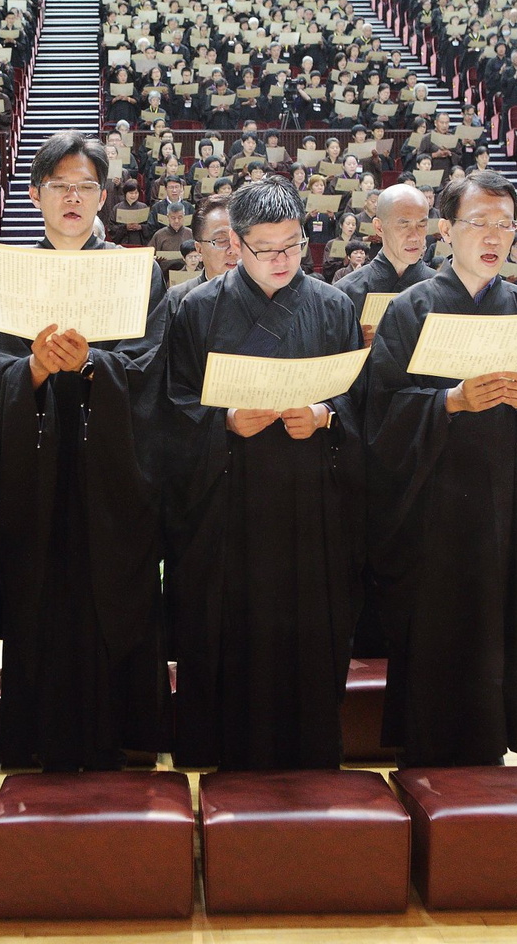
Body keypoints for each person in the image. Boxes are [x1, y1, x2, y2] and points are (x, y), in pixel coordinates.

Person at [364, 169, 517, 767]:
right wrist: (449, 402)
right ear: (447, 230)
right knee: (436, 640)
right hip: (434, 512)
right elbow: (380, 411)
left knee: (497, 638)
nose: (492, 236)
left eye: (504, 225)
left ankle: (490, 757)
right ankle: (426, 761)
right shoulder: (411, 310)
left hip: (508, 509)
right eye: (478, 222)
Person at [0, 130, 167, 770]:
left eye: (85, 184)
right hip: (34, 473)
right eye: (58, 184)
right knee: (40, 597)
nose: (72, 196)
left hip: (109, 470)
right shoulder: (8, 275)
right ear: (34, 194)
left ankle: (122, 734)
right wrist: (33, 369)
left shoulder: (136, 271)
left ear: (103, 195)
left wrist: (93, 366)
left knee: (111, 594)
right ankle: (38, 738)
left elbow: (148, 367)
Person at [164, 175, 363, 769]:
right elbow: (172, 406)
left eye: (293, 246)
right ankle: (222, 755)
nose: (282, 261)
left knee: (308, 635)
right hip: (228, 503)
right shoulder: (196, 308)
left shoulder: (332, 306)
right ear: (235, 243)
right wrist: (222, 421)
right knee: (228, 634)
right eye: (266, 249)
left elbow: (361, 401)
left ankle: (308, 757)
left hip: (310, 502)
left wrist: (327, 417)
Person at [335, 184, 439, 348]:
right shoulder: (346, 292)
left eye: (421, 224)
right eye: (403, 224)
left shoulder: (442, 288)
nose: (415, 236)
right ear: (378, 227)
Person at [162, 192, 238, 317]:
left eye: (239, 239)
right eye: (221, 240)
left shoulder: (264, 294)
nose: (234, 250)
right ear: (199, 250)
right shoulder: (177, 298)